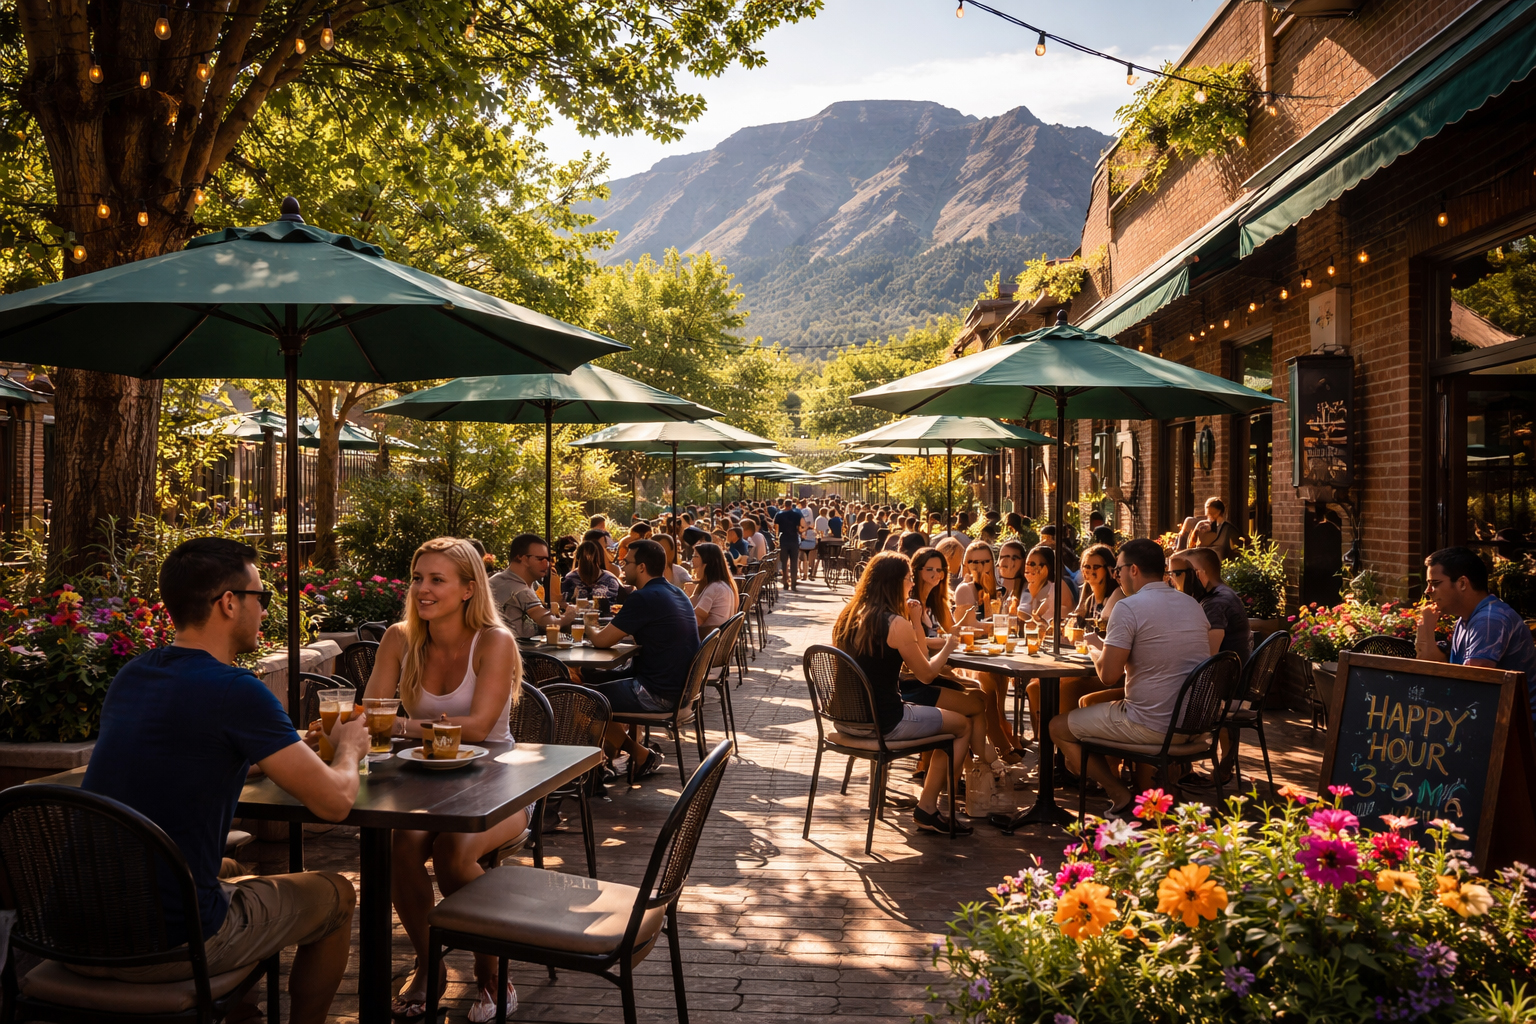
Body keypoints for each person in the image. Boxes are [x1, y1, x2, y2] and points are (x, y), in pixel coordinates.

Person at [81, 538, 363, 1024]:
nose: (264, 611)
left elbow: (196, 753)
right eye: (262, 598)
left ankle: (243, 1017)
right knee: (337, 894)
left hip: (71, 931)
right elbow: (336, 803)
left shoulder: (133, 675)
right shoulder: (236, 691)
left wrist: (291, 753)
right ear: (229, 602)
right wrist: (352, 749)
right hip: (165, 944)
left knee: (229, 869)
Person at [364, 538, 526, 1020]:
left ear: (469, 590)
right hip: (424, 778)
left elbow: (476, 728)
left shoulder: (495, 641)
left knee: (453, 855)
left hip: (496, 781)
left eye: (437, 580)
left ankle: (492, 969)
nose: (422, 590)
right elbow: (372, 709)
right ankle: (427, 960)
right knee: (401, 845)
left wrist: (398, 725)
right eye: (417, 578)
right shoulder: (400, 638)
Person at [1052, 539, 1212, 817]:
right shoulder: (1192, 605)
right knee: (1091, 703)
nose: (1117, 576)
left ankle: (1119, 794)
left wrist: (1092, 647)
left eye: (1118, 570)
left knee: (1058, 727)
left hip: (1153, 726)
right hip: (1195, 724)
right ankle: (1137, 790)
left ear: (1133, 570)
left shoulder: (1129, 607)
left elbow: (1107, 674)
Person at [833, 552, 973, 834]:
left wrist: (915, 622)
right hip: (885, 722)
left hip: (844, 719)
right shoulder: (895, 623)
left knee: (944, 714)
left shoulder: (847, 617)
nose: (912, 585)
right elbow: (926, 674)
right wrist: (950, 645)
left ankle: (931, 800)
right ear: (896, 582)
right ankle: (928, 808)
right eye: (909, 579)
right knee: (962, 724)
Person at [589, 539, 703, 779]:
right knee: (586, 680)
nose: (622, 568)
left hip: (657, 695)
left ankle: (628, 758)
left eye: (626, 562)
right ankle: (610, 758)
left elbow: (601, 641)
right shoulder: (675, 591)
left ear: (641, 567)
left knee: (582, 700)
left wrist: (586, 623)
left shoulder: (643, 598)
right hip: (680, 691)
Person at [908, 547, 1017, 764]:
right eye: (929, 569)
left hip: (938, 669)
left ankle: (987, 757)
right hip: (919, 676)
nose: (936, 575)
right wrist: (947, 640)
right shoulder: (911, 603)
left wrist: (965, 626)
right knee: (979, 697)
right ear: (916, 572)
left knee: (980, 691)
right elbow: (914, 641)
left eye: (940, 570)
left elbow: (953, 632)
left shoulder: (938, 601)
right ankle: (990, 758)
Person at [1026, 542, 1123, 743]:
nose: (1090, 571)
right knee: (1034, 687)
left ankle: (1065, 755)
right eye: (1086, 566)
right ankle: (1044, 747)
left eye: (1096, 567)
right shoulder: (1088, 601)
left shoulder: (1117, 598)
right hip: (1087, 665)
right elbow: (1076, 636)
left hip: (1108, 673)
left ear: (1109, 570)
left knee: (1062, 690)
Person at [1416, 548, 1536, 697]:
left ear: (1462, 583)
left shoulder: (1489, 621)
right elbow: (1437, 669)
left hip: (1513, 719)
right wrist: (1425, 629)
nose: (1428, 591)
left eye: (1435, 583)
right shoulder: (1467, 618)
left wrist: (1427, 630)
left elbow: (1470, 688)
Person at [488, 534, 577, 638]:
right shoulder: (518, 589)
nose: (547, 564)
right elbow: (549, 624)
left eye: (548, 559)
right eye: (540, 559)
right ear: (522, 558)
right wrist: (569, 615)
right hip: (516, 650)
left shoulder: (502, 579)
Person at [1172, 547, 1252, 660]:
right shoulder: (1223, 593)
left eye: (1176, 573)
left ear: (1197, 574)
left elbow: (1208, 657)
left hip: (1225, 676)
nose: (1171, 580)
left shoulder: (1216, 603)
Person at [690, 541, 740, 632]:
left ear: (707, 562)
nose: (692, 559)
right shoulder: (721, 584)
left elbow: (697, 618)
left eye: (695, 556)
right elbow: (693, 602)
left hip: (707, 639)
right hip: (718, 640)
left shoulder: (714, 588)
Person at [562, 538, 625, 605]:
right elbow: (565, 605)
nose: (588, 562)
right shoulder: (570, 579)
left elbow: (613, 606)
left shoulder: (609, 579)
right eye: (584, 559)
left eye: (592, 558)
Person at [774, 499, 804, 591]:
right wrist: (801, 531)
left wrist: (776, 537)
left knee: (784, 562)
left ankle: (785, 582)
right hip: (794, 538)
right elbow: (801, 526)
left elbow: (775, 526)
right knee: (794, 561)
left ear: (784, 504)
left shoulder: (779, 514)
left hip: (784, 538)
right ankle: (794, 583)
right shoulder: (797, 514)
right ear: (791, 505)